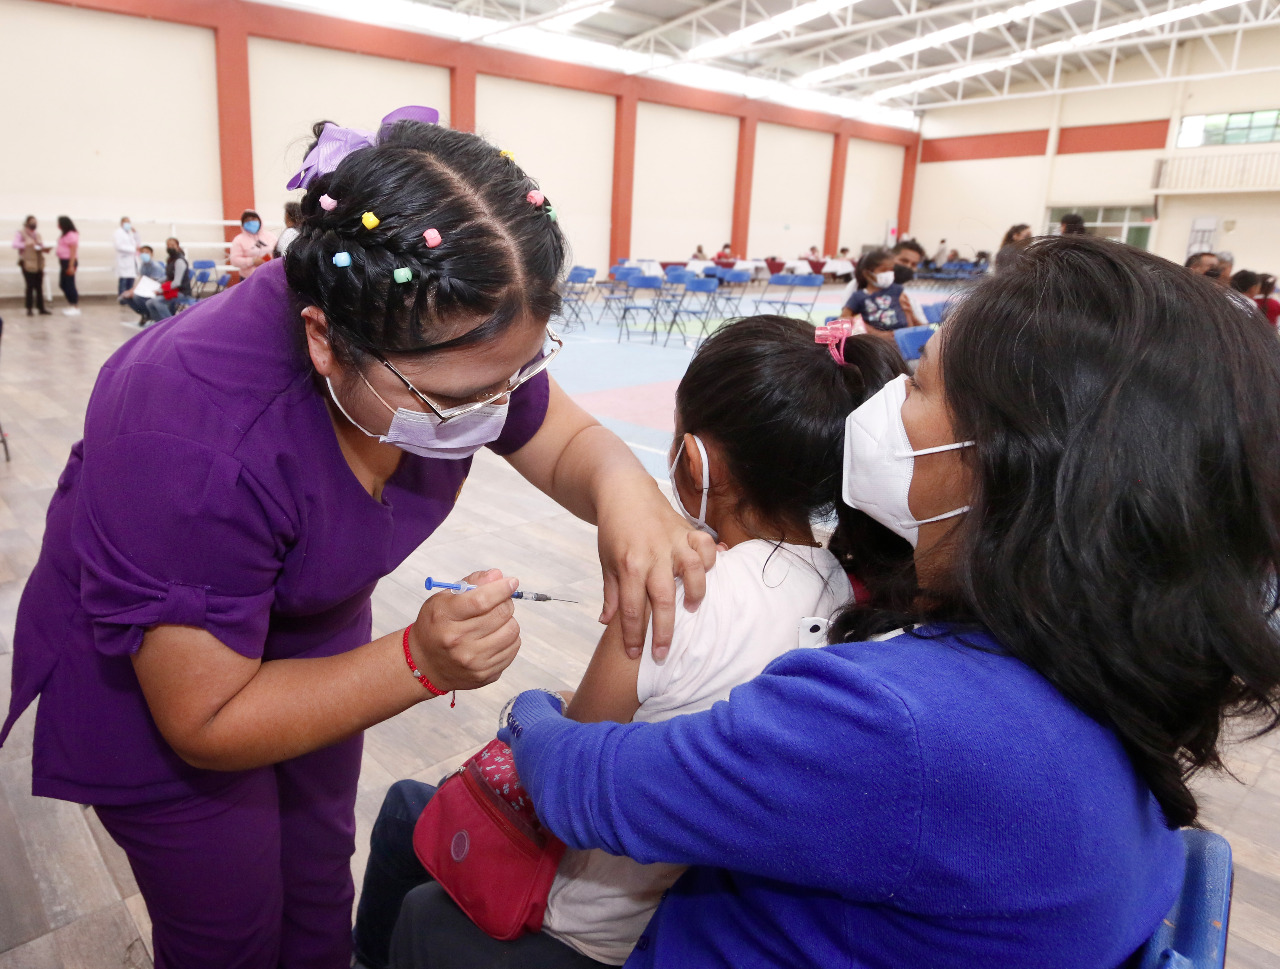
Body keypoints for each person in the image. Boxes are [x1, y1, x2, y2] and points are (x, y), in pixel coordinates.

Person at [0, 108, 715, 969]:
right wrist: (418, 661)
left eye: (514, 376)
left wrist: (627, 492)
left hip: (312, 625)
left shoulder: (457, 337)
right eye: (455, 400)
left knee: (316, 877)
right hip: (165, 678)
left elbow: (563, 439)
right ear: (324, 341)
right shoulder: (190, 436)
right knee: (226, 925)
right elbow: (207, 718)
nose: (494, 410)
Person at [466, 235, 1280, 969]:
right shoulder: (1094, 670)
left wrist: (528, 711)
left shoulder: (899, 723)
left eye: (919, 383)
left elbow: (588, 787)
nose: (884, 404)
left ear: (1004, 459)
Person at [353, 318, 908, 969]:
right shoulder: (848, 590)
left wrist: (531, 705)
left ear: (693, 460)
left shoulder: (676, 596)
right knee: (410, 810)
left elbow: (565, 767)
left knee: (411, 846)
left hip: (588, 923)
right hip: (694, 901)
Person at [840, 248, 922, 341]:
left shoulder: (897, 290)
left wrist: (907, 334)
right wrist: (876, 333)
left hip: (901, 337)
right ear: (867, 273)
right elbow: (844, 318)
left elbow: (908, 314)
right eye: (883, 270)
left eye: (891, 270)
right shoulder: (858, 296)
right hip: (876, 341)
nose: (888, 274)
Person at [145, 238, 195, 321]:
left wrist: (160, 290)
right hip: (172, 290)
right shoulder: (171, 260)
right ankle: (159, 324)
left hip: (182, 292)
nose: (170, 247)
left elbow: (177, 282)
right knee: (149, 303)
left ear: (177, 246)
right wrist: (156, 282)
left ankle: (170, 323)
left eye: (172, 245)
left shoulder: (179, 261)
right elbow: (168, 277)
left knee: (158, 302)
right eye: (168, 245)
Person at [117, 246, 169, 325]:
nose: (144, 254)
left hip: (156, 289)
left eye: (147, 252)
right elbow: (141, 280)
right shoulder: (143, 265)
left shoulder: (155, 266)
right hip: (146, 288)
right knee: (126, 296)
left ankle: (149, 313)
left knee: (137, 297)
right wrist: (131, 290)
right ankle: (144, 314)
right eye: (142, 252)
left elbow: (151, 282)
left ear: (152, 254)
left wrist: (135, 291)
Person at [12, 215, 52, 316]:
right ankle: (29, 308)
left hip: (38, 263)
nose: (34, 224)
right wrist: (25, 244)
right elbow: (15, 245)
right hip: (27, 262)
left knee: (39, 286)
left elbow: (40, 246)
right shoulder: (20, 233)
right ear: (27, 223)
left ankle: (41, 308)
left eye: (35, 222)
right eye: (32, 222)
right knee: (30, 286)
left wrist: (43, 247)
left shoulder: (37, 234)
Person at [229, 208, 279, 278]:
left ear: (259, 220)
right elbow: (234, 260)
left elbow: (279, 252)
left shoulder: (270, 236)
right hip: (248, 278)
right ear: (243, 224)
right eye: (247, 220)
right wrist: (252, 261)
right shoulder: (238, 239)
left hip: (269, 276)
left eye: (253, 219)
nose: (250, 222)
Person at [56, 215, 81, 316]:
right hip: (63, 261)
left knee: (70, 284)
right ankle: (71, 303)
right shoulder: (64, 234)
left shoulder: (71, 235)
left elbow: (73, 251)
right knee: (62, 284)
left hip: (69, 261)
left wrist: (71, 266)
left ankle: (74, 305)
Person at [114, 216, 141, 295]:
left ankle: (129, 298)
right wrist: (133, 249)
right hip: (124, 260)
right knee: (124, 282)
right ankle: (122, 298)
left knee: (131, 282)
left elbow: (137, 243)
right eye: (126, 222)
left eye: (129, 222)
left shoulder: (130, 233)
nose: (128, 224)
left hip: (132, 261)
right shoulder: (118, 233)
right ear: (121, 223)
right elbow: (118, 246)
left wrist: (135, 233)